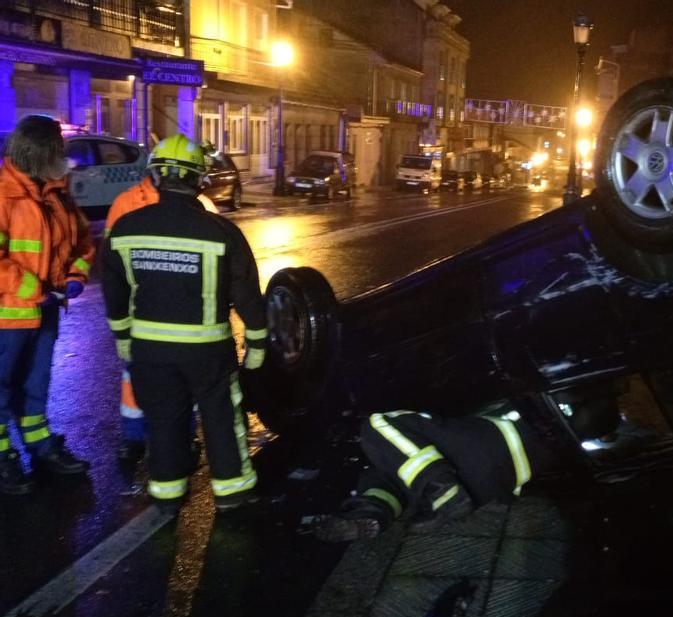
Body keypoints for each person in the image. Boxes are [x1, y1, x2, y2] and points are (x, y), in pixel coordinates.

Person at [101, 134, 266, 514]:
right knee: (222, 419)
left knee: (164, 421)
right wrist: (257, 344)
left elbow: (114, 290)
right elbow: (246, 293)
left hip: (149, 351)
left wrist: (123, 337)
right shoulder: (222, 231)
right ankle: (232, 493)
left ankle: (168, 494)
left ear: (155, 176)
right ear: (199, 180)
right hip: (208, 352)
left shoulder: (125, 229)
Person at [0, 115, 95, 495]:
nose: (65, 157)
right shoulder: (4, 196)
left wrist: (76, 275)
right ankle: (4, 460)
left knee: (37, 386)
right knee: (2, 389)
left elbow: (84, 243)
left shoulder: (58, 194)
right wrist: (31, 286)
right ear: (39, 153)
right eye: (58, 150)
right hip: (9, 316)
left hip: (46, 311)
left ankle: (40, 446)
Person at [104, 173, 218, 462]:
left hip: (182, 314)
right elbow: (112, 265)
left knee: (177, 380)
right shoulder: (126, 203)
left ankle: (183, 434)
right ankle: (135, 436)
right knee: (136, 377)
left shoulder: (201, 205)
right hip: (143, 313)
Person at [312, 408, 544, 542]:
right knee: (380, 432)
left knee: (376, 427)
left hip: (492, 481)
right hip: (496, 455)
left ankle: (432, 493)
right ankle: (376, 511)